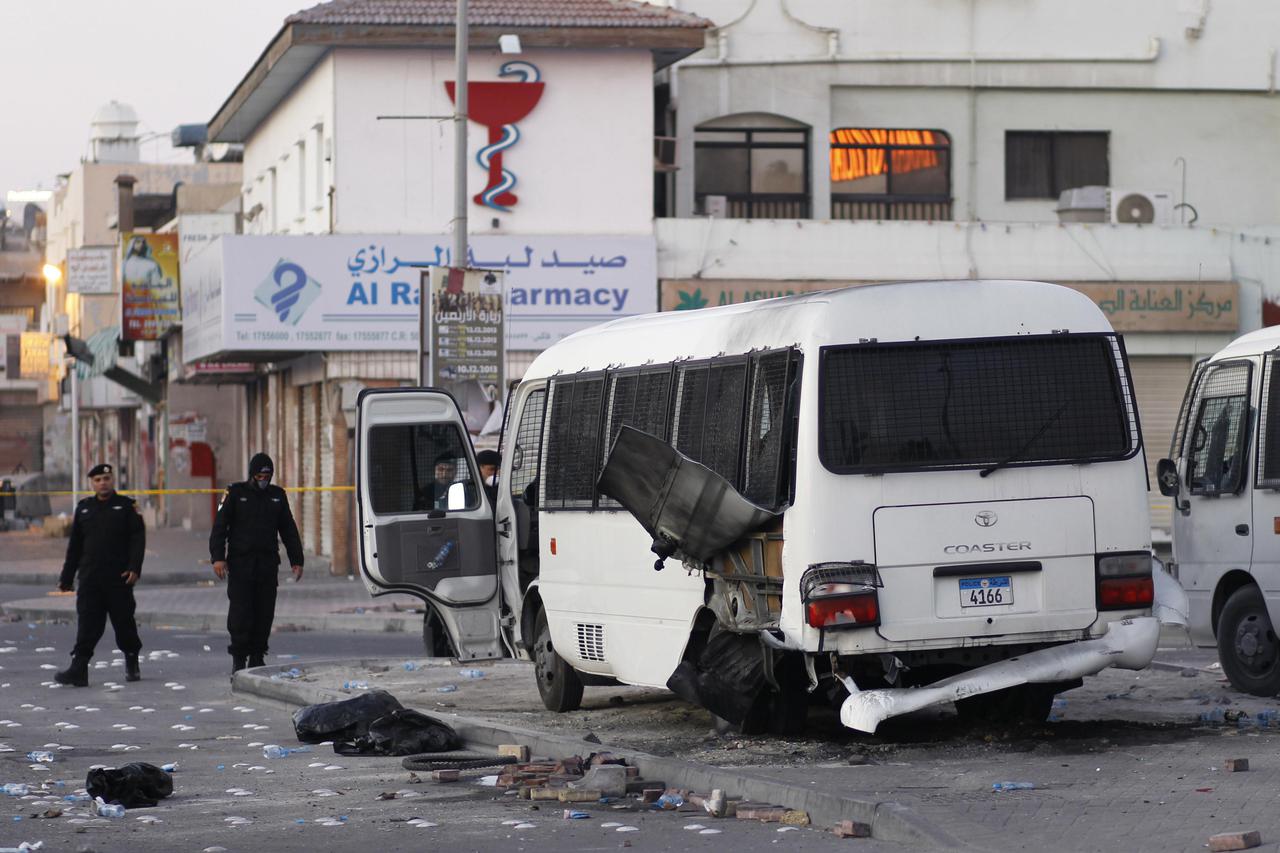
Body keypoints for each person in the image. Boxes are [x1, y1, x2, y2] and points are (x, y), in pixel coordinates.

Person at [209, 453, 304, 674]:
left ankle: (257, 657)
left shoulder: (277, 496)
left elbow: (288, 530)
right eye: (260, 475)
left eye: (267, 476)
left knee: (264, 613)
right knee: (241, 614)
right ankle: (239, 660)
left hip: (267, 565)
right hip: (241, 564)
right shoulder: (235, 493)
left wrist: (296, 560)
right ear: (252, 474)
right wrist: (218, 558)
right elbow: (219, 527)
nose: (263, 479)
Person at [55, 463, 145, 687]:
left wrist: (135, 568)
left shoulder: (126, 506)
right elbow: (74, 547)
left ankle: (131, 659)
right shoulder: (84, 508)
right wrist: (67, 577)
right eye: (97, 480)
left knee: (124, 623)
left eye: (106, 478)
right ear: (92, 483)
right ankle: (79, 668)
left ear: (112, 480)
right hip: (90, 578)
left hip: (118, 578)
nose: (102, 483)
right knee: (87, 623)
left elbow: (137, 539)